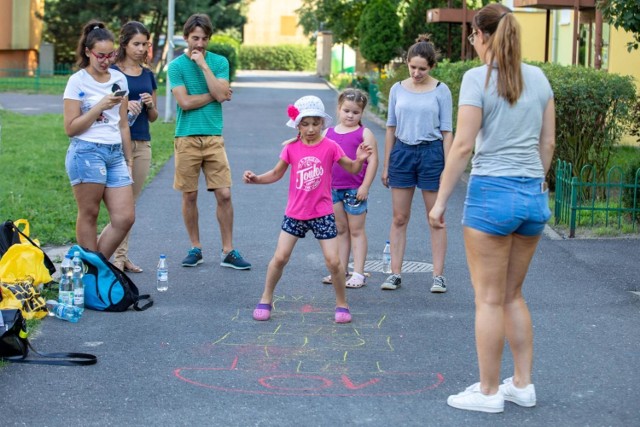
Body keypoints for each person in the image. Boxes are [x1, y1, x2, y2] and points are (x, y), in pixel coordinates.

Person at [428, 4, 555, 413]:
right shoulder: (539, 77)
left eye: (472, 35)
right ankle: (522, 384)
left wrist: (441, 200)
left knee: (487, 299)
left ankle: (487, 393)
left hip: (491, 196)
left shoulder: (475, 78)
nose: (471, 41)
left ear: (482, 36)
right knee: (512, 295)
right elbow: (548, 143)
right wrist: (535, 180)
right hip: (532, 198)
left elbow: (463, 145)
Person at [243, 96, 373, 324]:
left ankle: (342, 303)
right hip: (295, 213)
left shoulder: (331, 146)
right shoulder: (292, 148)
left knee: (334, 262)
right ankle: (265, 298)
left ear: (322, 123)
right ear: (297, 125)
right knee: (280, 258)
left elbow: (352, 168)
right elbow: (275, 173)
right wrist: (256, 179)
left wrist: (360, 159)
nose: (311, 129)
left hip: (322, 213)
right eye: (305, 123)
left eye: (316, 123)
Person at [168, 13, 250, 270]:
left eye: (204, 38)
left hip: (214, 137)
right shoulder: (176, 66)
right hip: (186, 137)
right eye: (195, 38)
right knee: (189, 195)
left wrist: (204, 66)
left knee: (224, 194)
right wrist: (217, 95)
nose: (200, 43)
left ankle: (228, 250)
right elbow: (185, 102)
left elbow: (221, 92)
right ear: (186, 38)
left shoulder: (218, 62)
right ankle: (196, 247)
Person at [380, 34, 453, 293]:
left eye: (422, 68)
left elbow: (447, 132)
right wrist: (387, 164)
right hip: (402, 152)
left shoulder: (441, 90)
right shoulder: (397, 89)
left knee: (436, 218)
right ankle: (395, 273)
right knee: (399, 217)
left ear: (431, 66)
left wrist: (448, 167)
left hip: (432, 154)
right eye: (413, 67)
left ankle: (438, 276)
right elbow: (390, 128)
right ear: (407, 63)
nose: (417, 72)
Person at [63, 20, 134, 259]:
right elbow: (71, 128)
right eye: (100, 55)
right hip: (86, 152)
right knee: (90, 213)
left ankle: (96, 268)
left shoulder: (119, 79)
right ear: (87, 52)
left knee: (125, 217)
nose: (106, 61)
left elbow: (122, 124)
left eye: (110, 55)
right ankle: (91, 273)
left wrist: (129, 159)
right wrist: (100, 106)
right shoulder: (77, 81)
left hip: (115, 154)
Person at [107, 21, 158, 273]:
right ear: (124, 44)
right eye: (136, 44)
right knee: (120, 204)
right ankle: (113, 256)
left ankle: (121, 256)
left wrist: (149, 105)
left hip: (142, 143)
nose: (141, 49)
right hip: (116, 144)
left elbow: (154, 117)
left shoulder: (149, 75)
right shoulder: (113, 73)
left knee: (131, 203)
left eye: (145, 44)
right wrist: (125, 109)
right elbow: (105, 111)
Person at [321, 88, 378, 288]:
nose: (350, 115)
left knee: (356, 231)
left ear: (362, 113)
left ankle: (359, 273)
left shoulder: (365, 133)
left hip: (355, 189)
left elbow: (373, 161)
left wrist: (365, 186)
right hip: (333, 189)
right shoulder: (327, 133)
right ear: (338, 109)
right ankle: (341, 271)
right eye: (346, 111)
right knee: (340, 230)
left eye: (356, 112)